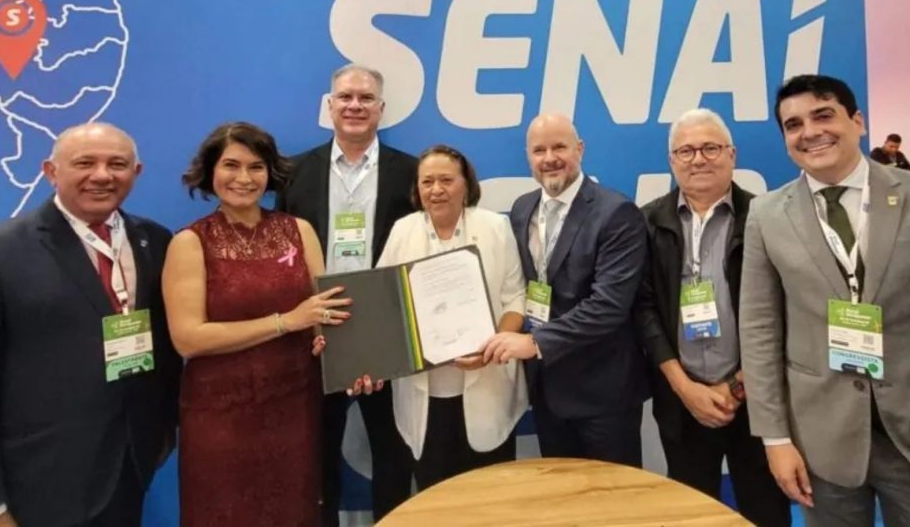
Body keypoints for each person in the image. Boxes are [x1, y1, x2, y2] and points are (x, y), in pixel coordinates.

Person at [740, 74, 910, 526]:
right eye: (793, 125)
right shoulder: (767, 215)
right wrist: (775, 439)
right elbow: (759, 332)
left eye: (823, 115)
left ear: (857, 121)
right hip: (822, 445)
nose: (810, 132)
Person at [0, 123, 181, 527]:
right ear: (50, 171)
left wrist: (161, 431)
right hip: (37, 483)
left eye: (117, 164)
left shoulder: (155, 241)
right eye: (85, 163)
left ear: (136, 172)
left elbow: (164, 347)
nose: (102, 175)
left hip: (130, 467)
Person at [164, 122, 353, 527]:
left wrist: (335, 348)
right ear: (211, 171)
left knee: (295, 511)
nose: (244, 178)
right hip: (221, 414)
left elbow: (321, 315)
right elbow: (188, 338)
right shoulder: (190, 242)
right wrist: (286, 322)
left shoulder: (298, 231)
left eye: (256, 167)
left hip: (295, 406)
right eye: (231, 165)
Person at [633, 109, 790, 526]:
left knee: (765, 509)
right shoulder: (647, 221)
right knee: (692, 513)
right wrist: (685, 388)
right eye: (686, 151)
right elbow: (643, 310)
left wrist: (739, 385)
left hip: (756, 398)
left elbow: (786, 309)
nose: (698, 159)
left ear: (732, 154)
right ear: (672, 161)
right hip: (682, 400)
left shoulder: (765, 217)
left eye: (710, 148)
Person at [275, 64, 417, 524]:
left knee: (394, 453)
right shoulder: (293, 172)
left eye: (366, 98)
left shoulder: (412, 173)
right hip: (317, 332)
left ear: (381, 108)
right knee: (316, 458)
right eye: (346, 97)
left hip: (388, 333)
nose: (355, 105)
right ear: (330, 105)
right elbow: (283, 253)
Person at [482, 113, 648, 467]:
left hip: (603, 395)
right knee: (561, 493)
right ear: (528, 156)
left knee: (614, 497)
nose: (549, 158)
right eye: (539, 150)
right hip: (547, 391)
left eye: (559, 147)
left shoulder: (616, 212)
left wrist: (534, 342)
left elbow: (608, 306)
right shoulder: (522, 208)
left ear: (580, 149)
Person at [378, 145, 528, 489]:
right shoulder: (403, 230)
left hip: (488, 384)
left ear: (466, 185)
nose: (436, 190)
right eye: (427, 181)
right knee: (435, 494)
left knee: (490, 494)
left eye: (446, 180)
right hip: (424, 392)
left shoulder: (494, 227)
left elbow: (515, 297)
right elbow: (383, 304)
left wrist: (493, 347)